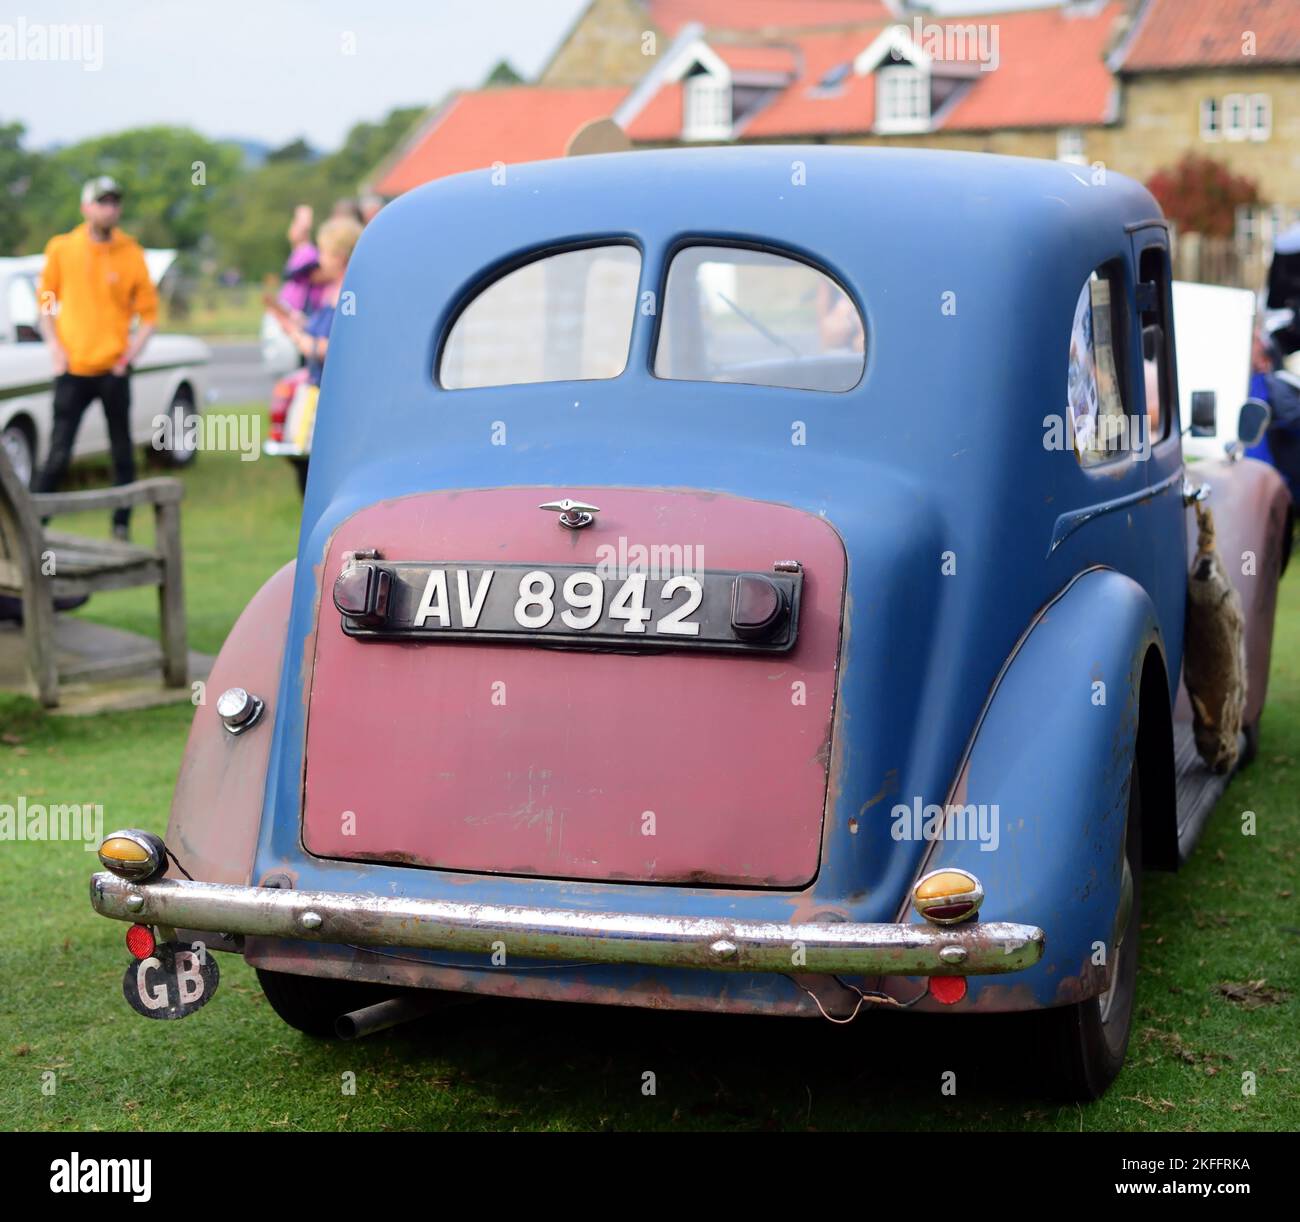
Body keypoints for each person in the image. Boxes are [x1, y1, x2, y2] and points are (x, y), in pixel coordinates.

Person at [33, 175, 158, 540]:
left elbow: (149, 315)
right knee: (58, 452)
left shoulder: (131, 252)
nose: (109, 208)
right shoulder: (62, 248)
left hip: (113, 370)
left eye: (114, 202)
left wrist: (129, 356)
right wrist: (55, 349)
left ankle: (121, 526)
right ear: (86, 207)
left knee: (122, 451)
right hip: (73, 368)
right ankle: (33, 527)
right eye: (101, 202)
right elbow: (45, 302)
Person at [271, 216, 363, 492]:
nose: (319, 259)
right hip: (317, 390)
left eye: (324, 252)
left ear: (341, 256)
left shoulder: (351, 293)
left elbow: (336, 349)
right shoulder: (331, 290)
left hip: (331, 398)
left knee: (316, 473)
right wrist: (296, 323)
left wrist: (299, 338)